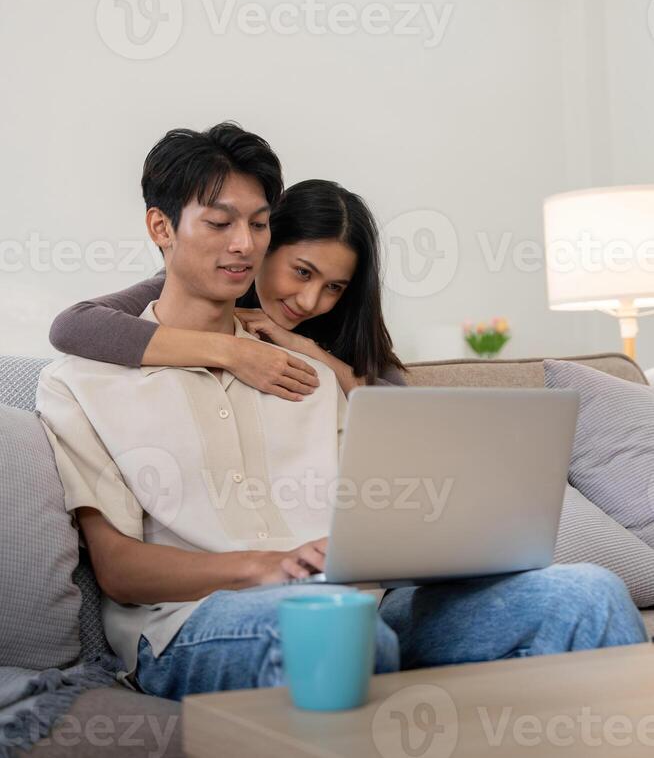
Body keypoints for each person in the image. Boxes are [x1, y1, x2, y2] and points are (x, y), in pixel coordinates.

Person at [37, 121, 647, 703]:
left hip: (365, 605)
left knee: (585, 594)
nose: (244, 244)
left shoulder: (313, 375)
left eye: (258, 224)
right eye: (220, 223)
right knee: (340, 631)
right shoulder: (83, 382)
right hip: (194, 623)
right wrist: (267, 567)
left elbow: (395, 497)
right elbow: (118, 571)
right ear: (161, 228)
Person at [49, 180, 406, 398]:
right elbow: (74, 326)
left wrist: (304, 348)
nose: (310, 300)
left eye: (334, 287)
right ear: (264, 243)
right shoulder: (198, 289)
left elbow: (409, 419)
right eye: (301, 272)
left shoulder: (346, 326)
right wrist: (234, 351)